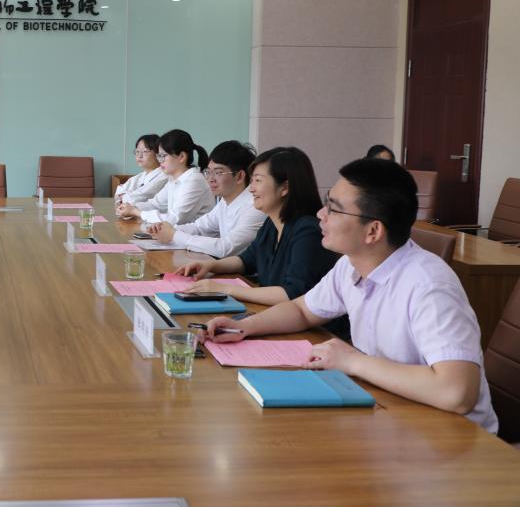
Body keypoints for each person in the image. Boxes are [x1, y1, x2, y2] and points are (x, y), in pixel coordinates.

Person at [206, 158, 498, 433]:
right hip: (391, 412)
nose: (320, 214)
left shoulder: (428, 286)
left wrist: (352, 361)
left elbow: (456, 392)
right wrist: (243, 327)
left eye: (333, 209)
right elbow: (302, 310)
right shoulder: (350, 264)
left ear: (373, 231)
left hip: (450, 438)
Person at [176, 147, 342, 316]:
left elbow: (293, 293)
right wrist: (211, 266)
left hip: (310, 326)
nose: (251, 189)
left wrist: (225, 289)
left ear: (285, 187)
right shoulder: (272, 222)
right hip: (274, 314)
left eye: (258, 180)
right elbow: (247, 260)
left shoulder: (308, 231)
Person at [146, 140, 266, 257]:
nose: (210, 179)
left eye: (218, 173)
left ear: (239, 176)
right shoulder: (225, 201)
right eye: (208, 172)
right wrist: (164, 229)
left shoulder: (255, 206)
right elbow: (199, 227)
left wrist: (174, 235)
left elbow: (225, 248)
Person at [116, 129, 213, 226]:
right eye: (159, 156)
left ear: (182, 157)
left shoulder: (194, 180)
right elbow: (155, 204)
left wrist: (136, 212)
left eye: (163, 156)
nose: (160, 160)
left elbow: (175, 219)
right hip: (177, 233)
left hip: (192, 234)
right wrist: (130, 207)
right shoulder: (173, 179)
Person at [113, 134, 168, 206]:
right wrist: (124, 197)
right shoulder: (140, 176)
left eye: (145, 151)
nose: (139, 155)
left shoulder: (164, 176)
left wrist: (125, 197)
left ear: (158, 154)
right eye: (137, 151)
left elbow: (136, 199)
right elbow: (118, 192)